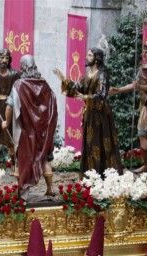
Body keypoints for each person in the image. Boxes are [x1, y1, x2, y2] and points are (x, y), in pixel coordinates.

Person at [54, 48, 123, 176]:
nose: (87, 57)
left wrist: (86, 97)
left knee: (102, 143)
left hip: (101, 114)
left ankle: (105, 173)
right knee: (90, 143)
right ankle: (91, 173)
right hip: (90, 113)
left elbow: (102, 94)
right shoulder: (87, 74)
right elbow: (77, 88)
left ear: (97, 58)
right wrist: (63, 79)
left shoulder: (103, 73)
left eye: (90, 55)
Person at [3, 54, 58, 196]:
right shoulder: (44, 84)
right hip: (43, 131)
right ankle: (50, 188)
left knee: (24, 160)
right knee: (44, 157)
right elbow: (52, 104)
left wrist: (6, 122)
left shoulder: (19, 85)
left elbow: (9, 106)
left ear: (23, 67)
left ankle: (24, 192)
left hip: (26, 131)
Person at [110, 43, 147, 173]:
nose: (143, 54)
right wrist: (119, 90)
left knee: (144, 132)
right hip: (145, 104)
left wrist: (141, 87)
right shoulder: (142, 68)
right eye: (143, 52)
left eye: (146, 52)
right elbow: (135, 84)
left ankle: (146, 166)